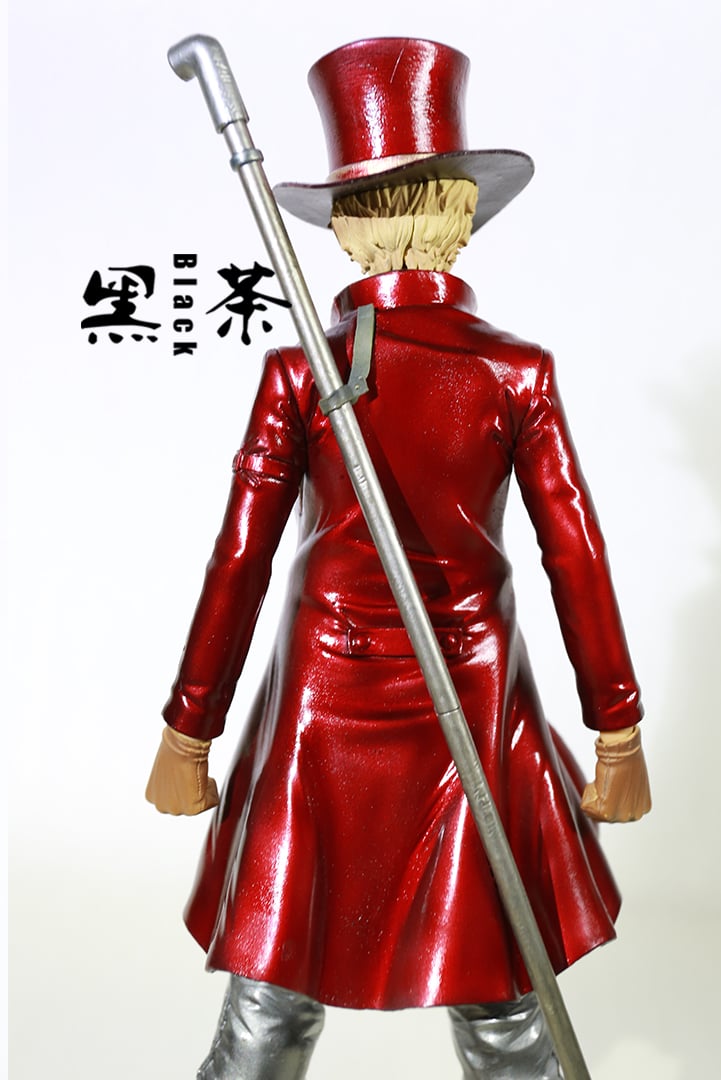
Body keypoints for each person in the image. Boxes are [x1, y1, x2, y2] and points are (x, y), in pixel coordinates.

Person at [146, 38, 651, 1079]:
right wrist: (617, 730)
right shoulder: (507, 373)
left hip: (352, 707)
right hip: (459, 696)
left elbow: (238, 559)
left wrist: (190, 728)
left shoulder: (309, 371)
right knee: (492, 991)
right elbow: (575, 556)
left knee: (277, 991)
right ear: (461, 216)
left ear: (345, 226)